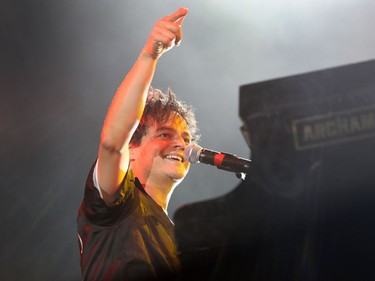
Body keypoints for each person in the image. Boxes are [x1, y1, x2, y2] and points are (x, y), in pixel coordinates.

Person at [77, 7, 199, 281]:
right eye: (165, 134)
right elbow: (111, 142)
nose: (181, 144)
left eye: (186, 138)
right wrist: (149, 55)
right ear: (131, 150)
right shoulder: (117, 203)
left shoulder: (176, 242)